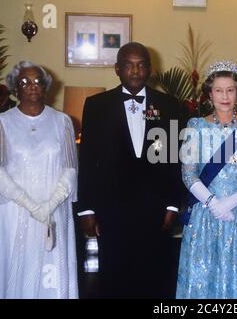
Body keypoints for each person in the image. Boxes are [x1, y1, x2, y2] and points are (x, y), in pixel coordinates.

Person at [76, 42, 182, 298]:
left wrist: (173, 205)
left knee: (154, 276)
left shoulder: (169, 105)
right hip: (112, 209)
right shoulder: (97, 105)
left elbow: (173, 158)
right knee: (113, 276)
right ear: (117, 69)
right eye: (128, 65)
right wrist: (87, 209)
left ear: (150, 69)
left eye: (141, 64)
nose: (135, 71)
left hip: (154, 209)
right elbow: (88, 159)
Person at [0, 61, 78, 299]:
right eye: (24, 82)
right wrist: (32, 206)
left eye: (37, 81)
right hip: (14, 212)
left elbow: (70, 169)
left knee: (49, 272)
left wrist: (49, 205)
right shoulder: (2, 123)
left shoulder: (62, 122)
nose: (31, 86)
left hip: (52, 211)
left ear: (46, 87)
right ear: (15, 88)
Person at [176, 60, 237, 299]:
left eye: (230, 90)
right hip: (205, 217)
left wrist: (233, 200)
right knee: (202, 281)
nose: (224, 96)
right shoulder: (196, 126)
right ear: (209, 93)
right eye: (218, 90)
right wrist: (213, 203)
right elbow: (188, 173)